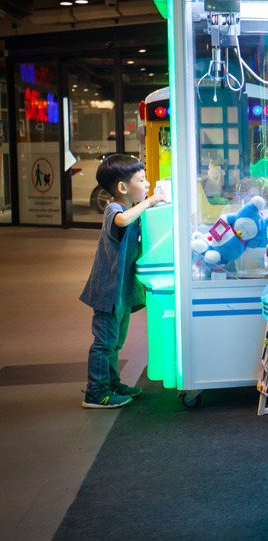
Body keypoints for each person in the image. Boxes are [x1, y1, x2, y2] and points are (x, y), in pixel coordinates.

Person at [79, 154, 164, 409]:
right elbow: (122, 221)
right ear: (123, 188)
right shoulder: (115, 209)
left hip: (121, 291)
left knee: (115, 341)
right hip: (108, 291)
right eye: (142, 179)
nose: (147, 184)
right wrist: (151, 202)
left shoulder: (129, 208)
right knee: (104, 342)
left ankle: (111, 383)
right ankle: (95, 391)